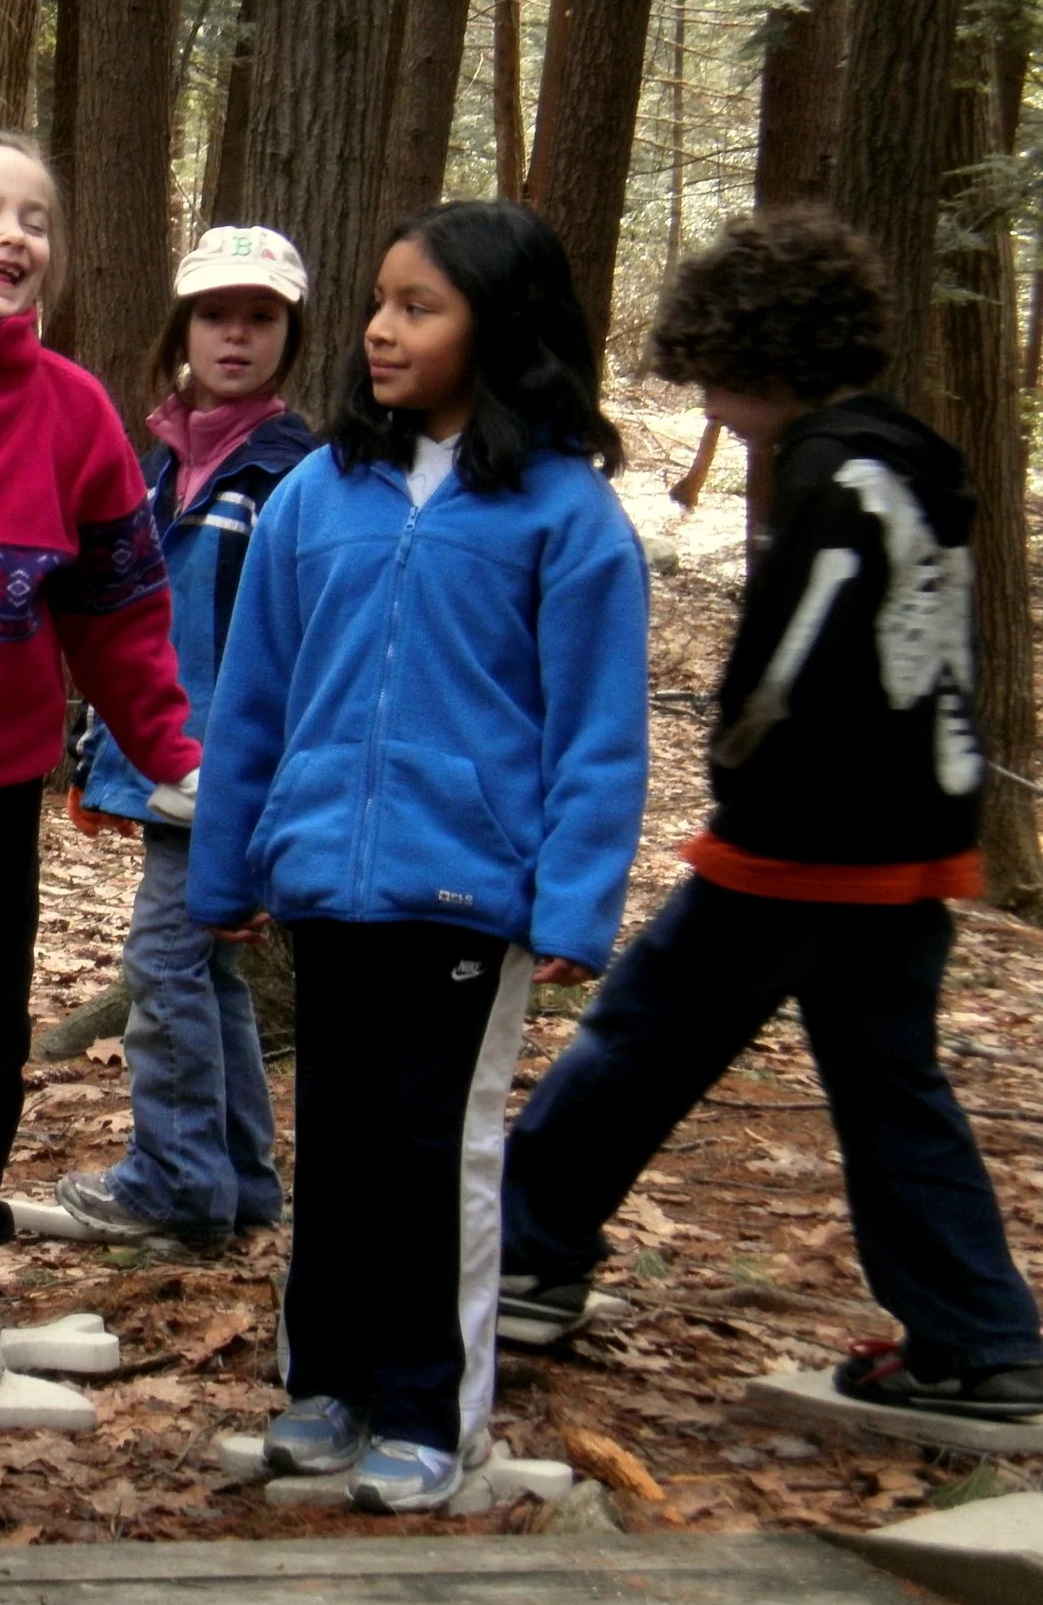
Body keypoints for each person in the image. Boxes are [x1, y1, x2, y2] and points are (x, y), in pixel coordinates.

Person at [500, 209, 1043, 1416]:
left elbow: (794, 659)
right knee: (888, 1082)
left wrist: (740, 761)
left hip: (802, 842)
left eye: (711, 374)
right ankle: (979, 1340)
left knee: (637, 1038)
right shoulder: (913, 462)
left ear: (761, 352)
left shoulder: (829, 472)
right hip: (914, 844)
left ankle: (524, 1250)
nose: (707, 402)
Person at [189, 201, 649, 1514]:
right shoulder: (316, 496)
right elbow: (252, 699)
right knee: (336, 1143)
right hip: (328, 887)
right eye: (379, 304)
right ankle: (326, 1386)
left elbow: (599, 727)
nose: (381, 331)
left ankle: (427, 1409)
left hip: (469, 897)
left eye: (418, 307)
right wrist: (228, 867)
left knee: (432, 1153)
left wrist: (574, 902)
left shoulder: (566, 514)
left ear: (500, 327)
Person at [55, 226, 318, 1252]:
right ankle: (238, 1181)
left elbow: (292, 646)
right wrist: (97, 757)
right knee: (203, 972)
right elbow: (126, 619)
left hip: (233, 773)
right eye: (215, 315)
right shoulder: (160, 465)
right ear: (182, 330)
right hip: (159, 763)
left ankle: (174, 1184)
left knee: (164, 968)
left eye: (260, 318)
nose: (235, 336)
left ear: (290, 337)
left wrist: (270, 783)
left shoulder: (291, 477)